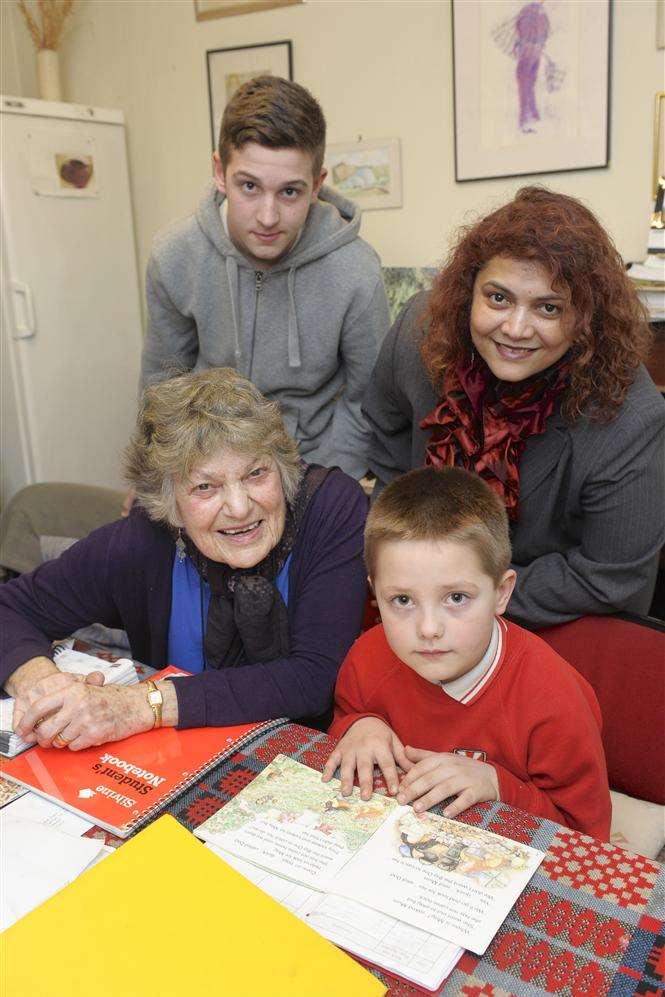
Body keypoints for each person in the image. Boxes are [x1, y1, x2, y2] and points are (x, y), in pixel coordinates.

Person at [0, 368, 368, 751]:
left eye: (256, 473)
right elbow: (9, 607)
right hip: (176, 762)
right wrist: (41, 682)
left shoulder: (331, 508)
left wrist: (144, 705)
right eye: (205, 487)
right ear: (167, 500)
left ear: (283, 467)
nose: (240, 508)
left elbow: (314, 680)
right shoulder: (146, 538)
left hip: (307, 760)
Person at [363, 187, 665, 628]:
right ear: (470, 292)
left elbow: (608, 576)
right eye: (498, 298)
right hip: (419, 592)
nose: (515, 328)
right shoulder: (420, 331)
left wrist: (466, 595)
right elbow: (386, 434)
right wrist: (399, 549)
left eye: (548, 307)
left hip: (550, 612)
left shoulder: (628, 416)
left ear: (585, 319)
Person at [322, 467, 611, 840]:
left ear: (502, 593)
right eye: (402, 600)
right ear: (375, 593)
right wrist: (359, 726)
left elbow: (587, 838)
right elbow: (346, 715)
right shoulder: (367, 655)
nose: (428, 629)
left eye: (456, 598)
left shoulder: (556, 702)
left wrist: (498, 786)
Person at [140, 75, 390, 479]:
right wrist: (159, 475)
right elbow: (163, 382)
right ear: (220, 172)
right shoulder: (174, 255)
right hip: (207, 468)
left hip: (312, 465)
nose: (268, 217)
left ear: (317, 185)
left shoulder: (356, 270)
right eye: (250, 187)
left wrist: (322, 480)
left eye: (290, 192)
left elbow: (368, 401)